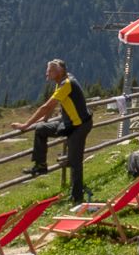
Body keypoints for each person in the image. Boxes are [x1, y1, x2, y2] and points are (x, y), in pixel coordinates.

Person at [19, 59, 94, 205]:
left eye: (50, 70)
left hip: (79, 126)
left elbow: (47, 106)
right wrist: (45, 120)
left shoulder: (66, 84)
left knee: (75, 161)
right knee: (41, 129)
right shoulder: (61, 82)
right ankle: (41, 165)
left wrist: (25, 125)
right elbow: (53, 104)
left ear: (59, 72)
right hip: (69, 123)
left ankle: (77, 198)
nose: (47, 73)